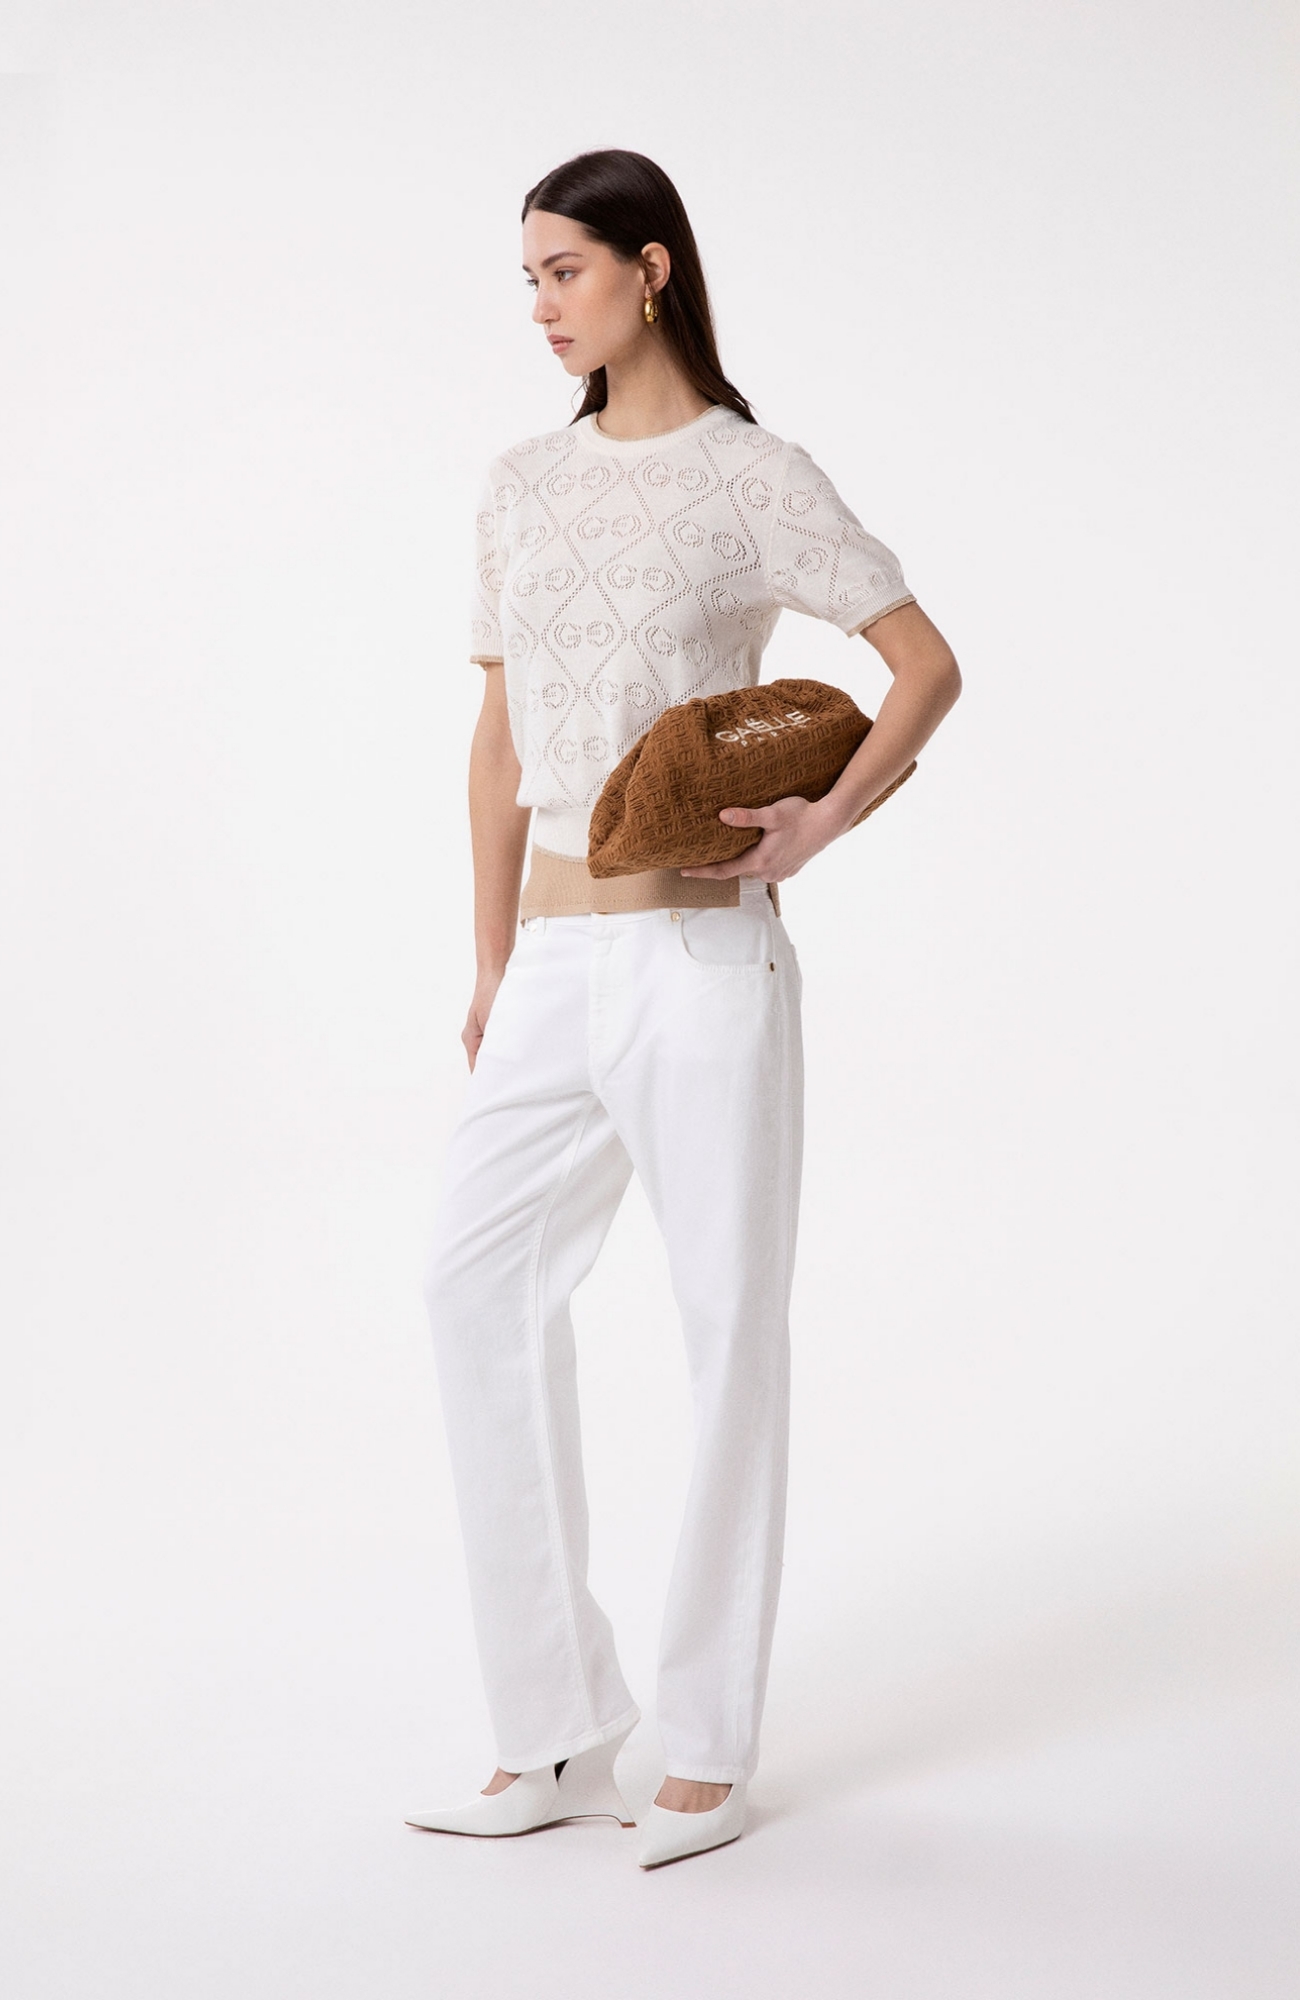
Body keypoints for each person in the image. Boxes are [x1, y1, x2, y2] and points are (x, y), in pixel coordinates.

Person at [406, 149, 961, 1869]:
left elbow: (924, 663)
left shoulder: (749, 474)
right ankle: (558, 1727)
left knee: (729, 1326)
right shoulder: (519, 484)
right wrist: (491, 960)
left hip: (707, 959)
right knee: (473, 1286)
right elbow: (499, 745)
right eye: (527, 278)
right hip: (555, 960)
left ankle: (708, 1744)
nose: (541, 305)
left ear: (651, 270)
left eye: (564, 270)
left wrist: (825, 821)